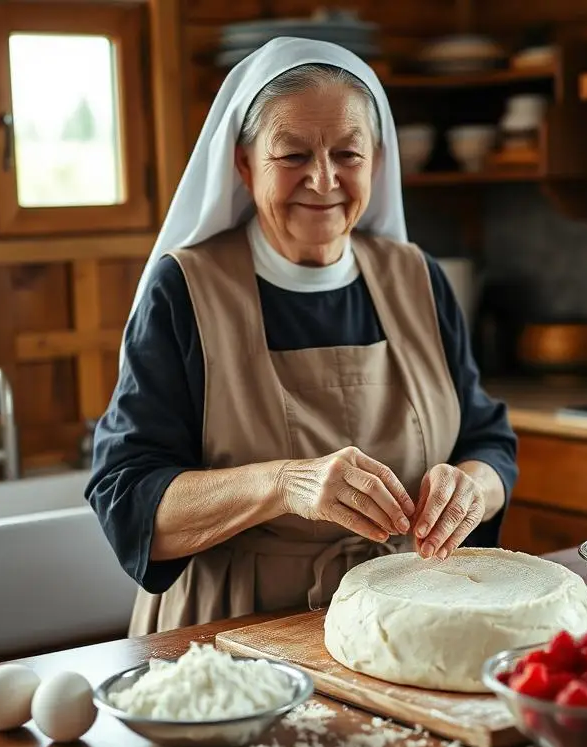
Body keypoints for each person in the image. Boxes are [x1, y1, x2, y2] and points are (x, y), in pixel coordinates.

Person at [87, 37, 519, 636]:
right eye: (292, 155)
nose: (323, 180)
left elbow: (487, 439)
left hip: (400, 620)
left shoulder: (418, 278)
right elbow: (127, 497)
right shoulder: (184, 290)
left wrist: (471, 488)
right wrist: (283, 485)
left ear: (377, 162)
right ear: (243, 164)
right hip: (228, 632)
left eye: (348, 153)